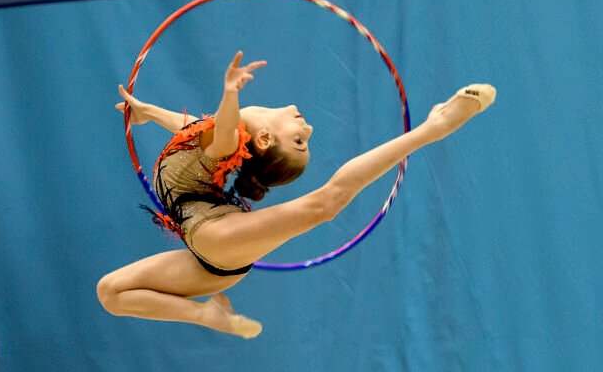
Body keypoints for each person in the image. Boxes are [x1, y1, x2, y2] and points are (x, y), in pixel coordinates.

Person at [97, 51, 496, 337]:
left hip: (215, 236)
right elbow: (192, 128)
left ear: (263, 139)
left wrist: (231, 93)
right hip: (208, 261)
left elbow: (223, 130)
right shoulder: (210, 138)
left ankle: (434, 129)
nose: (308, 128)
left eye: (299, 140)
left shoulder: (225, 140)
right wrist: (150, 112)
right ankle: (205, 317)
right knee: (111, 293)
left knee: (326, 203)